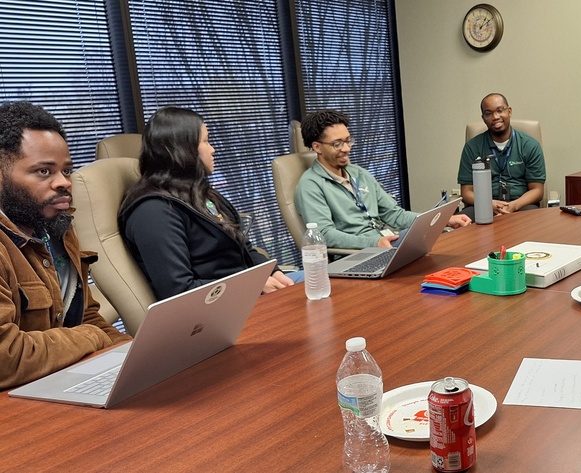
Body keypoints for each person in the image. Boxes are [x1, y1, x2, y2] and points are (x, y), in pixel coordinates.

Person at [0, 101, 131, 389]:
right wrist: (90, 337)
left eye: (67, 171)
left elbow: (86, 316)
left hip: (55, 383)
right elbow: (5, 356)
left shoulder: (57, 228)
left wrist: (133, 354)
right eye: (44, 172)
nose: (64, 183)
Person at [119, 107, 294, 301]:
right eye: (206, 141)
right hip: (220, 310)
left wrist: (272, 271)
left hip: (245, 296)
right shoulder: (153, 211)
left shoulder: (197, 193)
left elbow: (243, 247)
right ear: (183, 150)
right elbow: (180, 291)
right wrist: (252, 286)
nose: (213, 149)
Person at [295, 110, 471, 250]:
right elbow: (325, 235)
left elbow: (395, 214)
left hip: (385, 243)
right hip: (356, 254)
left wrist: (442, 219)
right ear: (317, 147)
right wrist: (373, 243)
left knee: (450, 250)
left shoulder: (359, 174)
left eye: (348, 141)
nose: (347, 148)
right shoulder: (310, 185)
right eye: (337, 144)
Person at [457, 93, 546, 220]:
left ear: (509, 112)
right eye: (488, 113)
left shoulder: (530, 145)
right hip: (483, 204)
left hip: (521, 204)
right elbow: (466, 192)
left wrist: (513, 206)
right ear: (483, 118)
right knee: (456, 226)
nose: (495, 117)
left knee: (535, 223)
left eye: (500, 110)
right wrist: (488, 203)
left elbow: (537, 190)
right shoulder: (472, 147)